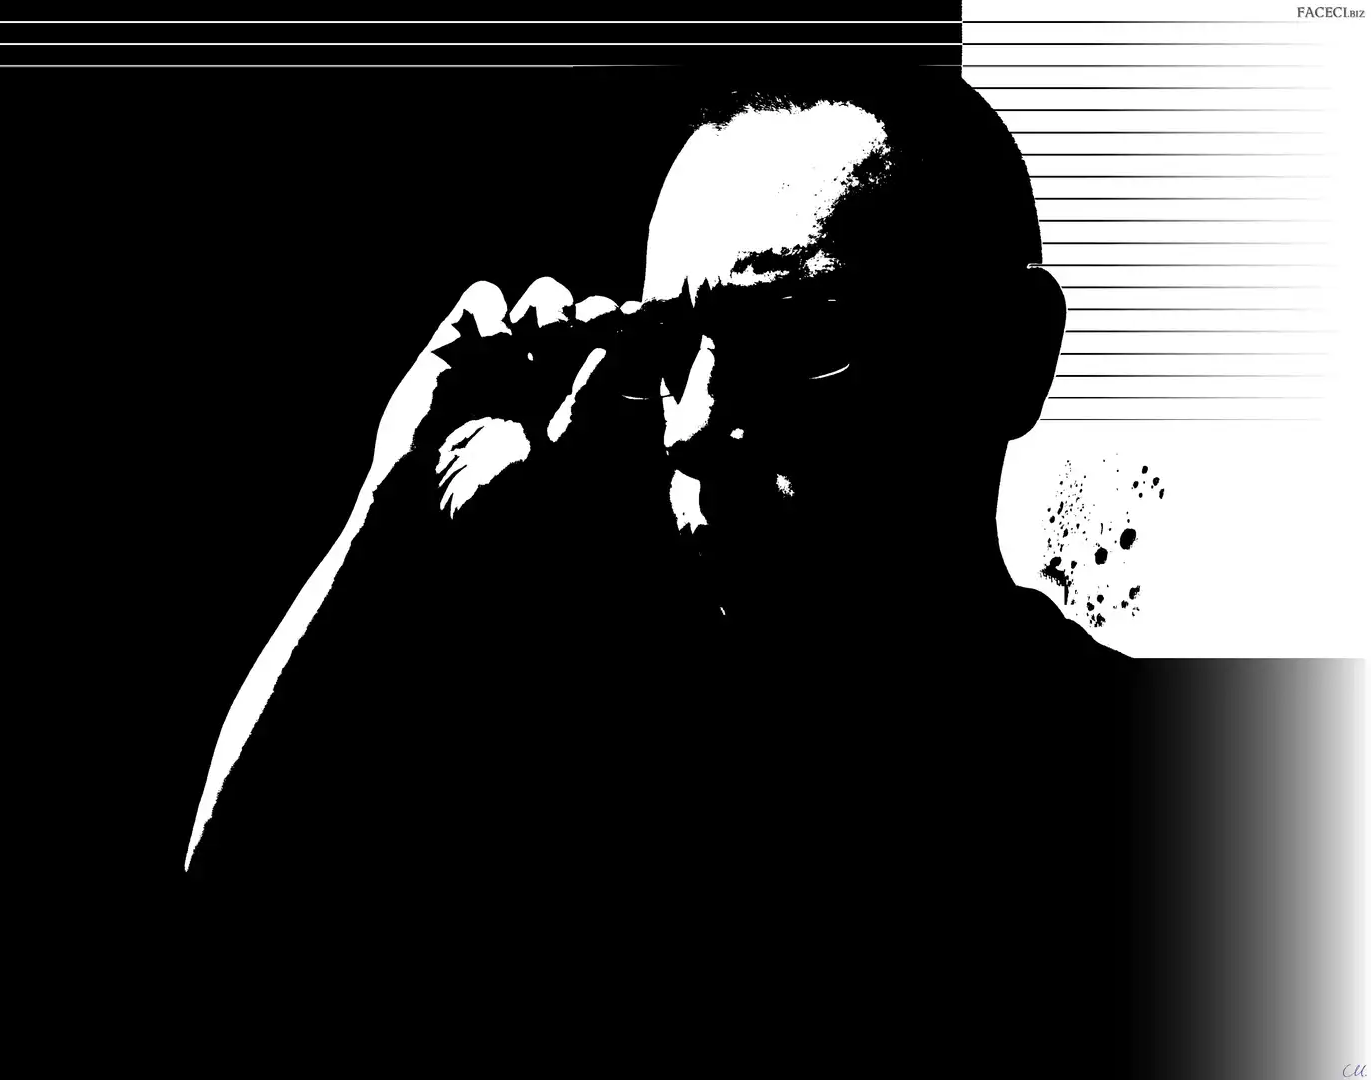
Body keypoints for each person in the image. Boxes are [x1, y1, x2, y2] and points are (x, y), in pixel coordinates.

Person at [183, 72, 1139, 1069]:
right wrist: (386, 519)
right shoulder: (577, 786)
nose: (692, 425)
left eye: (794, 328)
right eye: (669, 345)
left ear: (1006, 354)